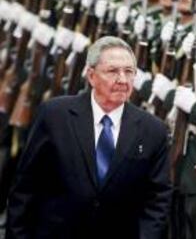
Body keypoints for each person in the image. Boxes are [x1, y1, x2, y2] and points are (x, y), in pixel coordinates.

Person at [6, 36, 172, 239]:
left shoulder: (152, 130)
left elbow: (157, 201)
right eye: (112, 71)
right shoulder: (55, 115)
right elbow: (26, 186)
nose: (122, 79)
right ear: (91, 76)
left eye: (129, 72)